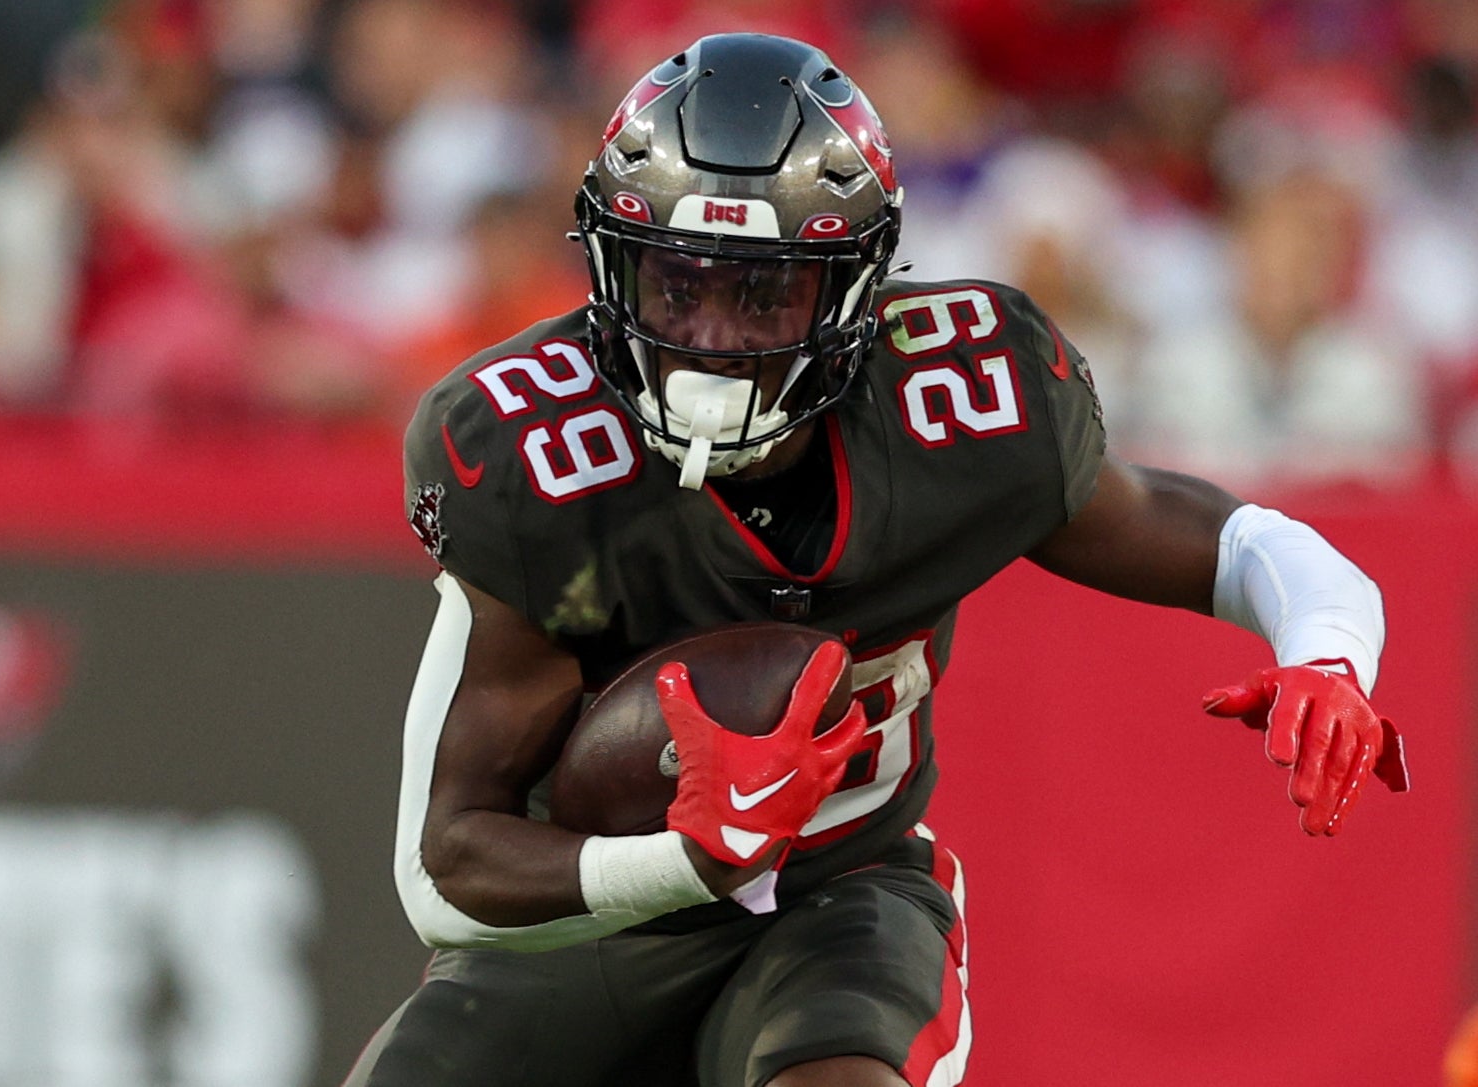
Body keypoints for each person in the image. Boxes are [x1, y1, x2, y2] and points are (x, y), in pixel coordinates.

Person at [345, 33, 1410, 1087]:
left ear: (854, 287)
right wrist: (684, 858)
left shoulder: (962, 400)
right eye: (676, 283)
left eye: (762, 293)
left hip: (839, 893)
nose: (711, 336)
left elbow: (1230, 539)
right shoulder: (527, 452)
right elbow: (445, 865)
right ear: (610, 263)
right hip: (597, 913)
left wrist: (1324, 654)